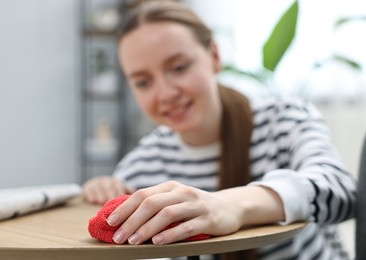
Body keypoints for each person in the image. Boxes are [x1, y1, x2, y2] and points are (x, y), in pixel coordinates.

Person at [82, 1, 357, 259]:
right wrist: (102, 191)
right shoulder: (141, 166)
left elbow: (341, 190)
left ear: (214, 56)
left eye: (179, 67)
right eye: (143, 83)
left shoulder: (284, 120)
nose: (165, 93)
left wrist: (234, 205)